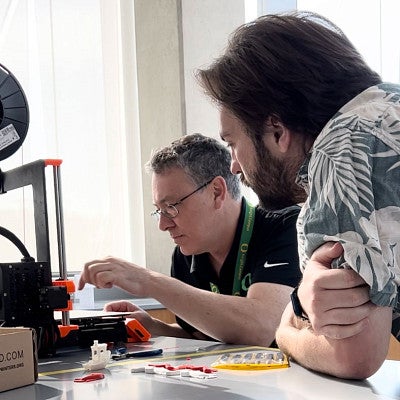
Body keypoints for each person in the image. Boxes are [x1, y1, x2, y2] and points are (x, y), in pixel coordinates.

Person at [196, 11, 400, 379]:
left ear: (276, 130)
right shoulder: (389, 109)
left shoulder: (338, 153)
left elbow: (353, 356)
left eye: (233, 143)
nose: (234, 167)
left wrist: (285, 331)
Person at [79, 133, 301, 346]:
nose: (163, 225)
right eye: (159, 210)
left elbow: (261, 329)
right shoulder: (186, 254)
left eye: (172, 207)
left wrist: (148, 281)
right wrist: (154, 327)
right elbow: (208, 336)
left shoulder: (285, 228)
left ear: (216, 191)